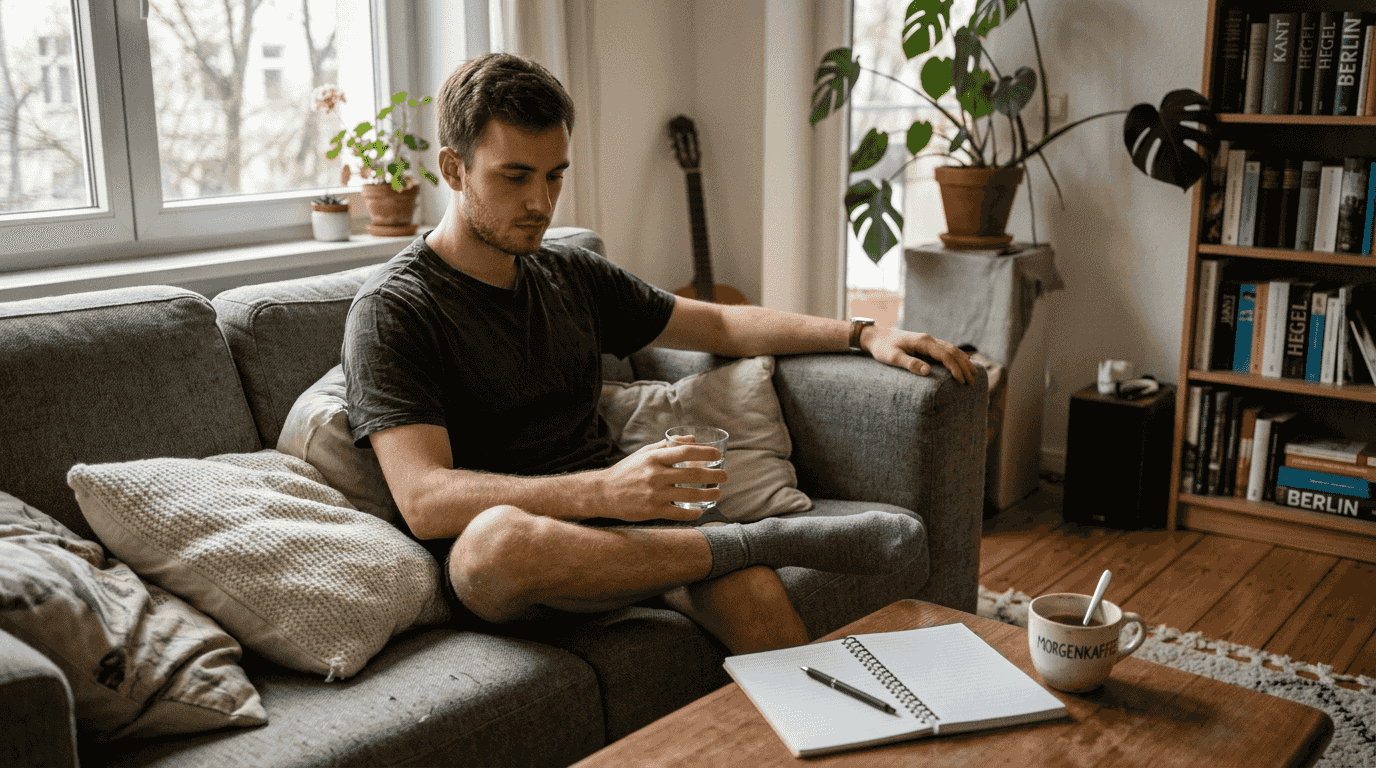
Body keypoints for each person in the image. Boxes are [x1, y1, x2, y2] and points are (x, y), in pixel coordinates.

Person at [342, 53, 979, 655]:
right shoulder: (396, 310)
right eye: (515, 176)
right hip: (522, 556)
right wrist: (607, 492)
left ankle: (745, 570)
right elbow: (425, 500)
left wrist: (861, 333)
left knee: (755, 597)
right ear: (454, 170)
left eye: (555, 175)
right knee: (492, 548)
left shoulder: (570, 274)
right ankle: (763, 541)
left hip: (634, 537)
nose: (542, 203)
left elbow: (723, 326)